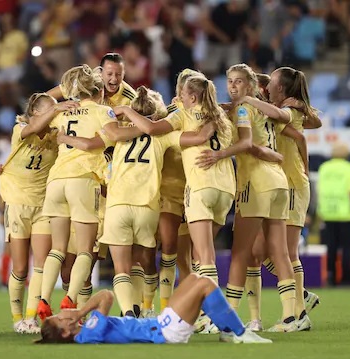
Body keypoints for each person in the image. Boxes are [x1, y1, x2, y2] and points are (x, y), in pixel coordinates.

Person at [114, 75, 236, 333]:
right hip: (225, 189)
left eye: (182, 92)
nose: (178, 96)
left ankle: (210, 315)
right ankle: (198, 311)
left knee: (201, 257)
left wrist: (126, 110)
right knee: (195, 254)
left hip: (198, 187)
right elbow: (215, 135)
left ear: (191, 96)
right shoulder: (221, 118)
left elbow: (151, 129)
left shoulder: (181, 115)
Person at [195, 64, 298, 333]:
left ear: (251, 85)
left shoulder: (244, 108)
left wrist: (219, 154)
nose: (233, 86)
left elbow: (246, 142)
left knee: (241, 251)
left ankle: (228, 318)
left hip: (256, 182)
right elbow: (287, 122)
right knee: (279, 251)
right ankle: (291, 315)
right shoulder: (264, 110)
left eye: (239, 82)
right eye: (230, 81)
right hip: (279, 182)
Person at [240, 67, 318, 331]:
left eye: (272, 83)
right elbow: (308, 126)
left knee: (287, 251)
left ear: (282, 89)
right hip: (278, 184)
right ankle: (297, 297)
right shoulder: (282, 109)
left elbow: (299, 132)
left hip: (293, 184)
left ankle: (298, 314)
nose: (268, 86)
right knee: (258, 251)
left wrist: (248, 100)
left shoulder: (287, 111)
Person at [37, 65, 117, 320]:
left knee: (57, 249)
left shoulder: (63, 112)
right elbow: (112, 137)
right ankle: (70, 301)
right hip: (82, 181)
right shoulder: (103, 111)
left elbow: (32, 121)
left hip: (56, 180)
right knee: (84, 250)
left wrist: (54, 107)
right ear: (99, 90)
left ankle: (42, 300)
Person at [0, 93, 78, 333]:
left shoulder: (56, 137)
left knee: (41, 265)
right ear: (35, 113)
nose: (56, 113)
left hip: (43, 206)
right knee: (20, 268)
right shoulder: (20, 129)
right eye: (49, 110)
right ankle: (16, 318)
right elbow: (34, 126)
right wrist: (56, 108)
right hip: (17, 203)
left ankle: (31, 318)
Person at [36, 273, 271, 344]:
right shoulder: (87, 334)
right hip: (165, 332)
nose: (63, 311)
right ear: (66, 330)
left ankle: (228, 331)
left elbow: (105, 295)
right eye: (60, 316)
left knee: (194, 278)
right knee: (205, 285)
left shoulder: (86, 330)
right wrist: (80, 312)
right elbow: (106, 296)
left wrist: (79, 313)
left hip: (159, 324)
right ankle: (239, 333)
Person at [159, 68, 205, 313]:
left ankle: (195, 310)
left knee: (189, 259)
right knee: (169, 252)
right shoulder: (169, 114)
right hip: (167, 192)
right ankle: (164, 309)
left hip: (191, 190)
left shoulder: (204, 115)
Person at [317, 142, 350, 286]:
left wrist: (319, 213)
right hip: (346, 214)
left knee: (331, 246)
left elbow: (320, 190)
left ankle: (331, 276)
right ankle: (346, 277)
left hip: (328, 212)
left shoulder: (324, 168)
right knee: (347, 247)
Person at [47, 53, 137, 108]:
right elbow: (46, 97)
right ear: (100, 73)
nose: (114, 79)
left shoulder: (131, 98)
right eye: (109, 74)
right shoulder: (86, 82)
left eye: (118, 75)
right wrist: (57, 107)